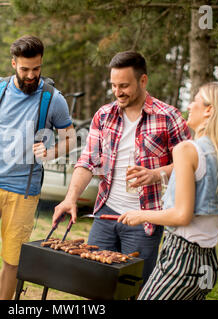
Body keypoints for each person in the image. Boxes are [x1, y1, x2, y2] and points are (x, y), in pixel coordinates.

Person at [53, 51, 191, 286]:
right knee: (96, 284)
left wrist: (157, 174)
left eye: (124, 85)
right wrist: (70, 198)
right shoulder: (104, 115)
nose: (118, 92)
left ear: (143, 81)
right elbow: (87, 161)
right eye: (114, 86)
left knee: (134, 288)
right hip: (106, 213)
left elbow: (188, 164)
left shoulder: (169, 117)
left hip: (144, 219)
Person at [0, 35, 75, 300]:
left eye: (36, 69)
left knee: (13, 261)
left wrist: (51, 151)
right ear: (13, 63)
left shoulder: (53, 99)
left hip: (25, 192)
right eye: (25, 69)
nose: (31, 75)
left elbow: (70, 137)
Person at [118, 82, 218, 300]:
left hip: (181, 260)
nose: (189, 104)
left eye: (195, 99)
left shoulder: (187, 149)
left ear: (209, 110)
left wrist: (141, 215)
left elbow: (181, 215)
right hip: (208, 264)